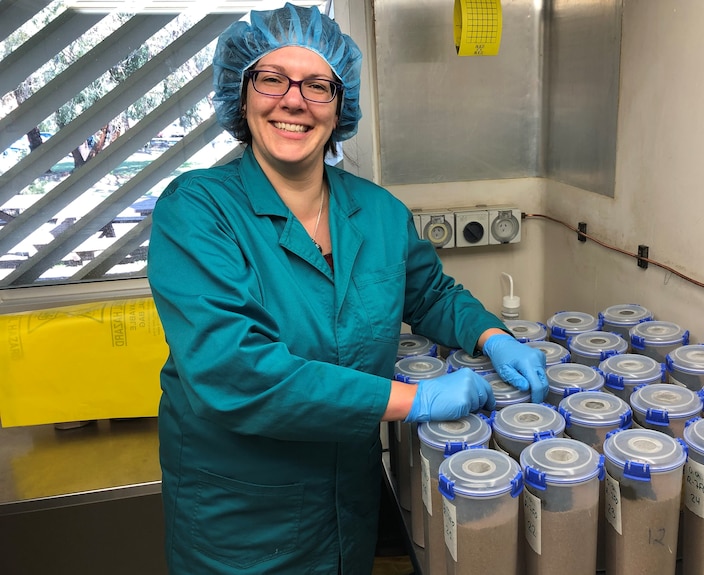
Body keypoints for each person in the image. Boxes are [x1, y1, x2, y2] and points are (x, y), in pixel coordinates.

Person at [146, 4, 548, 574]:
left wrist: (492, 336)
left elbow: (428, 293)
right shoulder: (197, 211)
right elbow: (234, 369)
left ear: (340, 109)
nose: (294, 100)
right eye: (271, 79)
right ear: (242, 96)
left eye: (318, 86)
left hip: (345, 506)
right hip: (241, 519)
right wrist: (418, 400)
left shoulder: (378, 212)